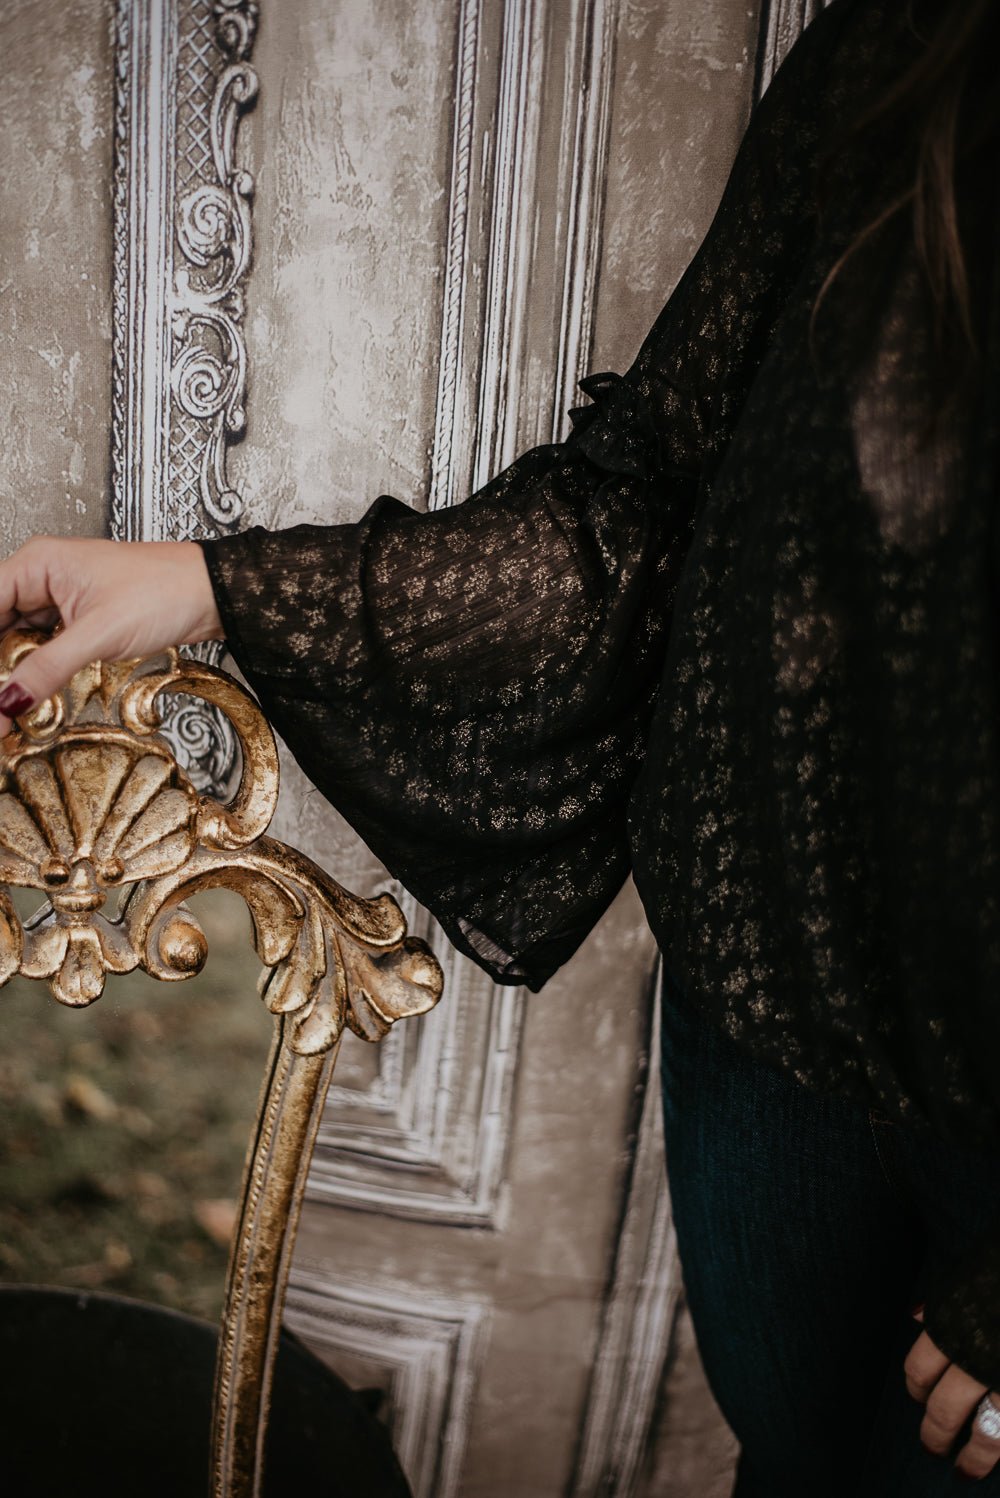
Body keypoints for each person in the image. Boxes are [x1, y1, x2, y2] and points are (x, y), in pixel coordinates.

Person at [0, 0, 997, 1490]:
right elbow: (645, 503)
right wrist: (216, 584)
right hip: (773, 1001)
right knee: (796, 1461)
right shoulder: (905, 48)